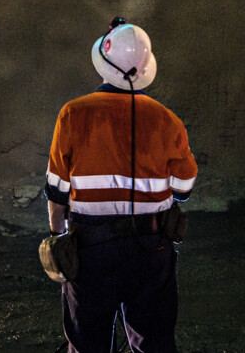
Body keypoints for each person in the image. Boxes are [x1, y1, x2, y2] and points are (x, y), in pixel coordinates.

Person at [45, 18, 199, 353]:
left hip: (90, 253)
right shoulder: (167, 120)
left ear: (103, 62)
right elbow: (184, 188)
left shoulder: (73, 114)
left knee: (88, 345)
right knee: (154, 344)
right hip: (151, 250)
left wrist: (58, 239)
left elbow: (57, 194)